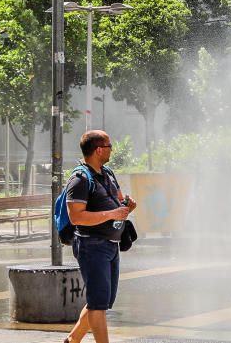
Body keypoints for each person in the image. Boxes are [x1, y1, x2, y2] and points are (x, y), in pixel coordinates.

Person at [62, 129, 135, 343]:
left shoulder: (108, 173)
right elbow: (76, 217)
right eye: (110, 145)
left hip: (111, 245)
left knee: (102, 300)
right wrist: (112, 213)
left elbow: (118, 200)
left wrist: (126, 207)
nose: (112, 149)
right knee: (98, 303)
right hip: (91, 245)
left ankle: (73, 340)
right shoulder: (79, 179)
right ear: (99, 149)